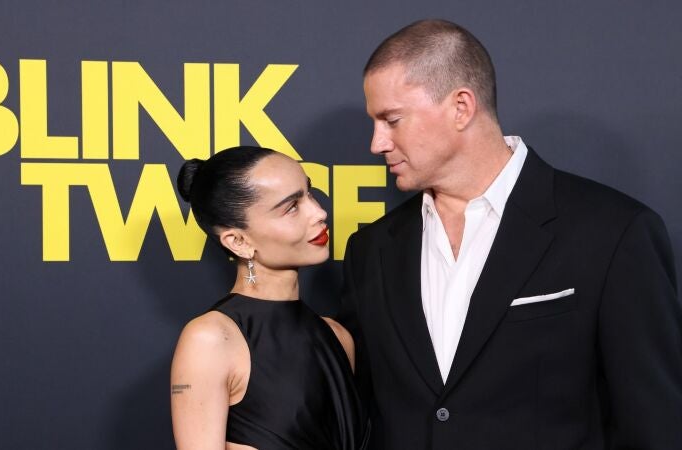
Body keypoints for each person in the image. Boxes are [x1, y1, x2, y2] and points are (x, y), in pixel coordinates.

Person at [338, 19, 682, 449]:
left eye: (392, 120)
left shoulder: (612, 233)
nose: (376, 143)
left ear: (461, 107)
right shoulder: (371, 250)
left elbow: (656, 426)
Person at [170, 146, 369, 450]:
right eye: (291, 207)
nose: (319, 213)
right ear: (239, 241)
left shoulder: (339, 338)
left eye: (309, 193)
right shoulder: (211, 341)